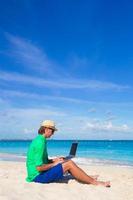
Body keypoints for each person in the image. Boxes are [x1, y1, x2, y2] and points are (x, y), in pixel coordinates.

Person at [26, 120, 110, 187]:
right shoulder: (40, 143)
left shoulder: (40, 140)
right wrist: (55, 164)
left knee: (65, 161)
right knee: (69, 164)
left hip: (38, 174)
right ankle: (94, 182)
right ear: (46, 129)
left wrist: (54, 160)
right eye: (52, 131)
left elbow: (43, 161)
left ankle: (86, 177)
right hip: (37, 177)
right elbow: (39, 168)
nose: (53, 134)